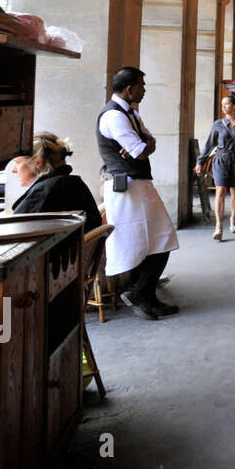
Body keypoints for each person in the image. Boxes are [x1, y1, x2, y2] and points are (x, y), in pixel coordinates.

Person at [97, 67, 180, 320]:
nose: (144, 90)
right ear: (129, 88)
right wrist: (142, 145)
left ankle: (145, 296)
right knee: (144, 241)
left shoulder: (130, 113)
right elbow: (140, 151)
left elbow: (148, 143)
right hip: (127, 189)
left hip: (139, 184)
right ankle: (138, 293)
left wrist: (145, 143)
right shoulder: (113, 116)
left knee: (159, 239)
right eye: (142, 85)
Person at [11, 132, 102, 229]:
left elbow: (16, 227)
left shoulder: (46, 191)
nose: (13, 169)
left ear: (38, 162)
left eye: (17, 162)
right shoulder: (70, 183)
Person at [196, 95, 235, 240]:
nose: (223, 107)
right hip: (220, 160)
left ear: (234, 105)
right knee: (220, 191)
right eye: (222, 104)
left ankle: (233, 219)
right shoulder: (217, 124)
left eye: (226, 104)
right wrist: (200, 161)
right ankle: (218, 226)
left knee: (234, 190)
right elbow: (209, 144)